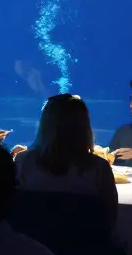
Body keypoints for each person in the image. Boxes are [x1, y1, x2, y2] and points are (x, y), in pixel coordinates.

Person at [15, 94, 118, 231]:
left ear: (44, 124)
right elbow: (110, 216)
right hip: (86, 246)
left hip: (32, 244)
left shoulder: (23, 161)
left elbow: (13, 209)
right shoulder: (99, 167)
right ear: (84, 125)